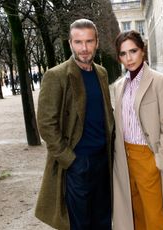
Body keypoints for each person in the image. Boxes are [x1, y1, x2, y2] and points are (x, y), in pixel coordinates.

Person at [35, 18, 114, 230]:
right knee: (79, 225)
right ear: (70, 43)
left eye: (89, 41)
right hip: (78, 163)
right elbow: (46, 124)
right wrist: (70, 161)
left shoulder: (102, 73)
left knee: (104, 221)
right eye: (78, 42)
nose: (85, 48)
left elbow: (107, 114)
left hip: (103, 161)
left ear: (97, 42)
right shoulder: (56, 76)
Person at [112, 30, 163, 230]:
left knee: (155, 217)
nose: (129, 58)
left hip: (148, 158)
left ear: (142, 51)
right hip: (124, 159)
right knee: (135, 215)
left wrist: (159, 161)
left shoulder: (159, 81)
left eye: (133, 51)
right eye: (123, 53)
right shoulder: (119, 86)